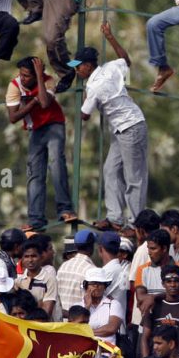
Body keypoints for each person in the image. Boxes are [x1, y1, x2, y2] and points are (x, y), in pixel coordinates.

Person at [73, 21, 149, 234]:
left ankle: (135, 224)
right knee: (110, 169)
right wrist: (110, 37)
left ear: (88, 65)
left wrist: (87, 98)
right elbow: (126, 59)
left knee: (134, 177)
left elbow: (84, 115)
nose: (77, 71)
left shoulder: (95, 85)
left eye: (79, 66)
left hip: (130, 127)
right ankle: (115, 217)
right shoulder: (111, 67)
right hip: (122, 129)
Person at [6, 55, 75, 232]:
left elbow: (44, 103)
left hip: (54, 125)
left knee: (56, 163)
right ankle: (36, 219)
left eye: (27, 75)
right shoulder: (15, 86)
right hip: (35, 130)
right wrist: (33, 102)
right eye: (21, 74)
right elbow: (13, 117)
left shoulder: (48, 81)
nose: (23, 78)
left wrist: (39, 78)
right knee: (35, 173)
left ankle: (65, 209)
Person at [141, 264, 179, 358]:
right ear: (163, 284)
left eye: (176, 281)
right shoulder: (152, 307)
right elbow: (145, 338)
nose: (173, 285)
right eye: (168, 281)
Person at [15, 239, 61, 321]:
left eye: (34, 256)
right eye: (26, 256)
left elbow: (45, 313)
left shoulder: (49, 280)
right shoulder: (19, 281)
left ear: (41, 257)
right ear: (22, 258)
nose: (30, 260)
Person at [57, 230, 97, 311]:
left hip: (61, 321)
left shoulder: (64, 265)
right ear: (91, 247)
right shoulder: (92, 270)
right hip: (79, 320)